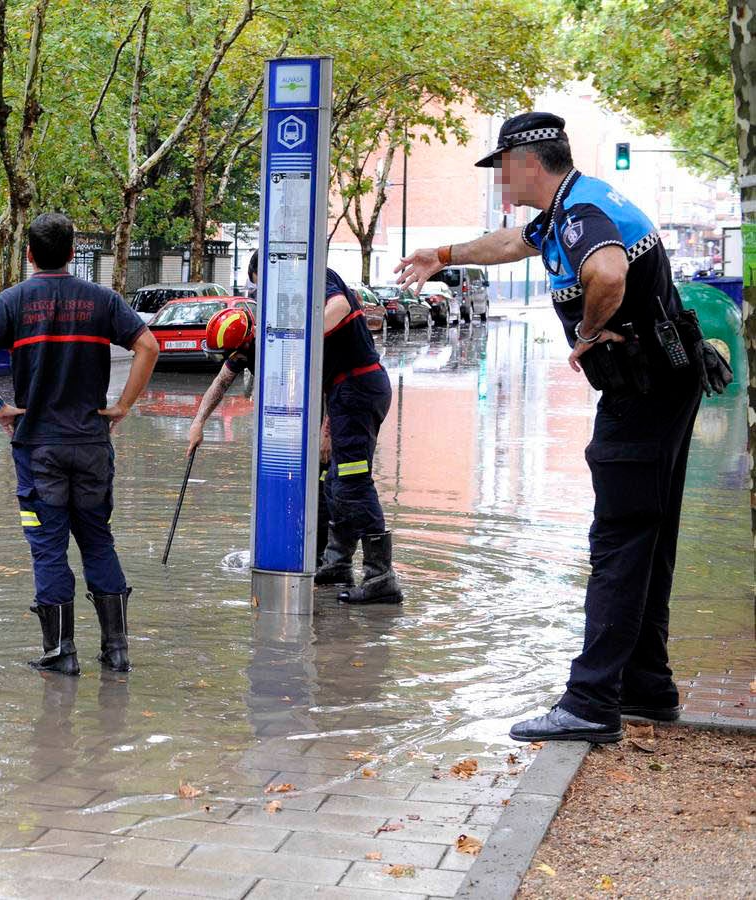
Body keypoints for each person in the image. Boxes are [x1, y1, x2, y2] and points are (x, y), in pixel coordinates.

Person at [396, 112, 706, 744]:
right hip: (667, 385)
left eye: (501, 167)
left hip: (642, 391)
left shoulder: (580, 214)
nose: (500, 180)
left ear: (527, 161)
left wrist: (589, 332)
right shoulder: (573, 204)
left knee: (618, 541)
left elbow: (609, 274)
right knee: (649, 535)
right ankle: (648, 687)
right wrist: (444, 255)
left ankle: (591, 702)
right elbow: (512, 244)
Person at [0, 212, 159, 675]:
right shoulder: (103, 301)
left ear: (28, 254)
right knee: (97, 541)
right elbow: (148, 347)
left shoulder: (10, 303)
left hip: (39, 450)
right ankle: (116, 651)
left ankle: (61, 653)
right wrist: (123, 406)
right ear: (74, 253)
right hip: (92, 443)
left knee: (48, 548)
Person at [188, 255, 400, 604]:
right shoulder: (261, 336)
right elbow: (222, 382)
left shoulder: (317, 280)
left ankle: (381, 577)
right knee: (333, 484)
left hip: (356, 389)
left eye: (262, 283)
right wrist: (197, 424)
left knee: (351, 482)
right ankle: (336, 564)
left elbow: (340, 307)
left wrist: (325, 428)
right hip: (343, 394)